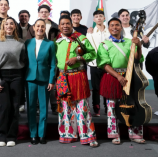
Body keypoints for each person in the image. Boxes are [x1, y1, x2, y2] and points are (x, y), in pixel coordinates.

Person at [96, 18, 145, 145]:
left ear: (121, 27)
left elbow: (138, 59)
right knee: (112, 107)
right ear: (109, 28)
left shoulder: (130, 42)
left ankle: (135, 133)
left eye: (117, 25)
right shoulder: (104, 44)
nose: (114, 27)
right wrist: (118, 76)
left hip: (130, 77)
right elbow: (104, 64)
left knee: (132, 104)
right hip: (112, 77)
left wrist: (139, 47)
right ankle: (114, 134)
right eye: (112, 25)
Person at [55, 15, 98, 147]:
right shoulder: (56, 41)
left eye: (67, 23)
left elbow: (92, 54)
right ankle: (67, 134)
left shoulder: (81, 38)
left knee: (82, 106)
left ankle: (88, 135)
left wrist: (78, 58)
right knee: (65, 107)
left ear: (72, 24)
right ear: (59, 26)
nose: (65, 26)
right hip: (62, 78)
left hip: (78, 76)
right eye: (62, 24)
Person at [0, 17, 26, 147]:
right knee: (3, 107)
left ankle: (12, 136)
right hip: (2, 76)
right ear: (3, 26)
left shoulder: (21, 43)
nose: (9, 26)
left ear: (15, 26)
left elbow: (23, 61)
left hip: (17, 76)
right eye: (7, 24)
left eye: (12, 23)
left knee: (14, 107)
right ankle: (1, 136)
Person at [25, 19, 56, 145]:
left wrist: (51, 80)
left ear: (45, 28)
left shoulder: (50, 44)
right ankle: (33, 134)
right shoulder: (27, 42)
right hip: (30, 79)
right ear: (33, 27)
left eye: (42, 26)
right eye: (38, 26)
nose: (40, 28)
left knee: (43, 108)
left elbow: (53, 64)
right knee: (31, 108)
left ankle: (42, 134)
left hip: (44, 80)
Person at [26, 5, 59, 115]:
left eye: (46, 12)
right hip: (34, 66)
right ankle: (36, 107)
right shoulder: (31, 33)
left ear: (49, 13)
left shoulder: (55, 26)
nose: (44, 13)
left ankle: (54, 106)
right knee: (33, 98)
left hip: (50, 54)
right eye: (41, 12)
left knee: (51, 85)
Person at [86, 10, 109, 116]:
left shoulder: (109, 31)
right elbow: (88, 47)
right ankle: (96, 108)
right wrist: (88, 34)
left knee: (106, 86)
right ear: (94, 19)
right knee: (96, 87)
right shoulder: (90, 32)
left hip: (107, 64)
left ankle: (107, 107)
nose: (99, 18)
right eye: (96, 16)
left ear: (104, 18)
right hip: (94, 63)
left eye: (101, 16)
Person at [17, 9, 31, 112]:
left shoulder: (33, 28)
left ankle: (31, 105)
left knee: (29, 83)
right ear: (19, 18)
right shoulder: (14, 27)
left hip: (30, 58)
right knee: (20, 83)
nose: (24, 18)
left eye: (26, 16)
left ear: (29, 18)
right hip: (17, 58)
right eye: (22, 16)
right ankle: (21, 103)